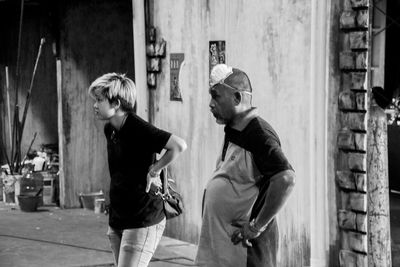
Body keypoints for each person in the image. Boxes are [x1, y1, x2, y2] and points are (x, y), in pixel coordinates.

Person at [195, 64, 296, 267]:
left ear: (237, 98)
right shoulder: (235, 129)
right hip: (222, 252)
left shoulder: (259, 133)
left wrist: (255, 227)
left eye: (216, 96)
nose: (211, 104)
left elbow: (285, 179)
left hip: (244, 255)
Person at [88, 73, 187, 267]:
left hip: (143, 217)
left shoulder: (138, 128)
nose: (95, 105)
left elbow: (178, 145)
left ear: (116, 103)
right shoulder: (111, 129)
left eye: (99, 100)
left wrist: (155, 170)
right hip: (119, 216)